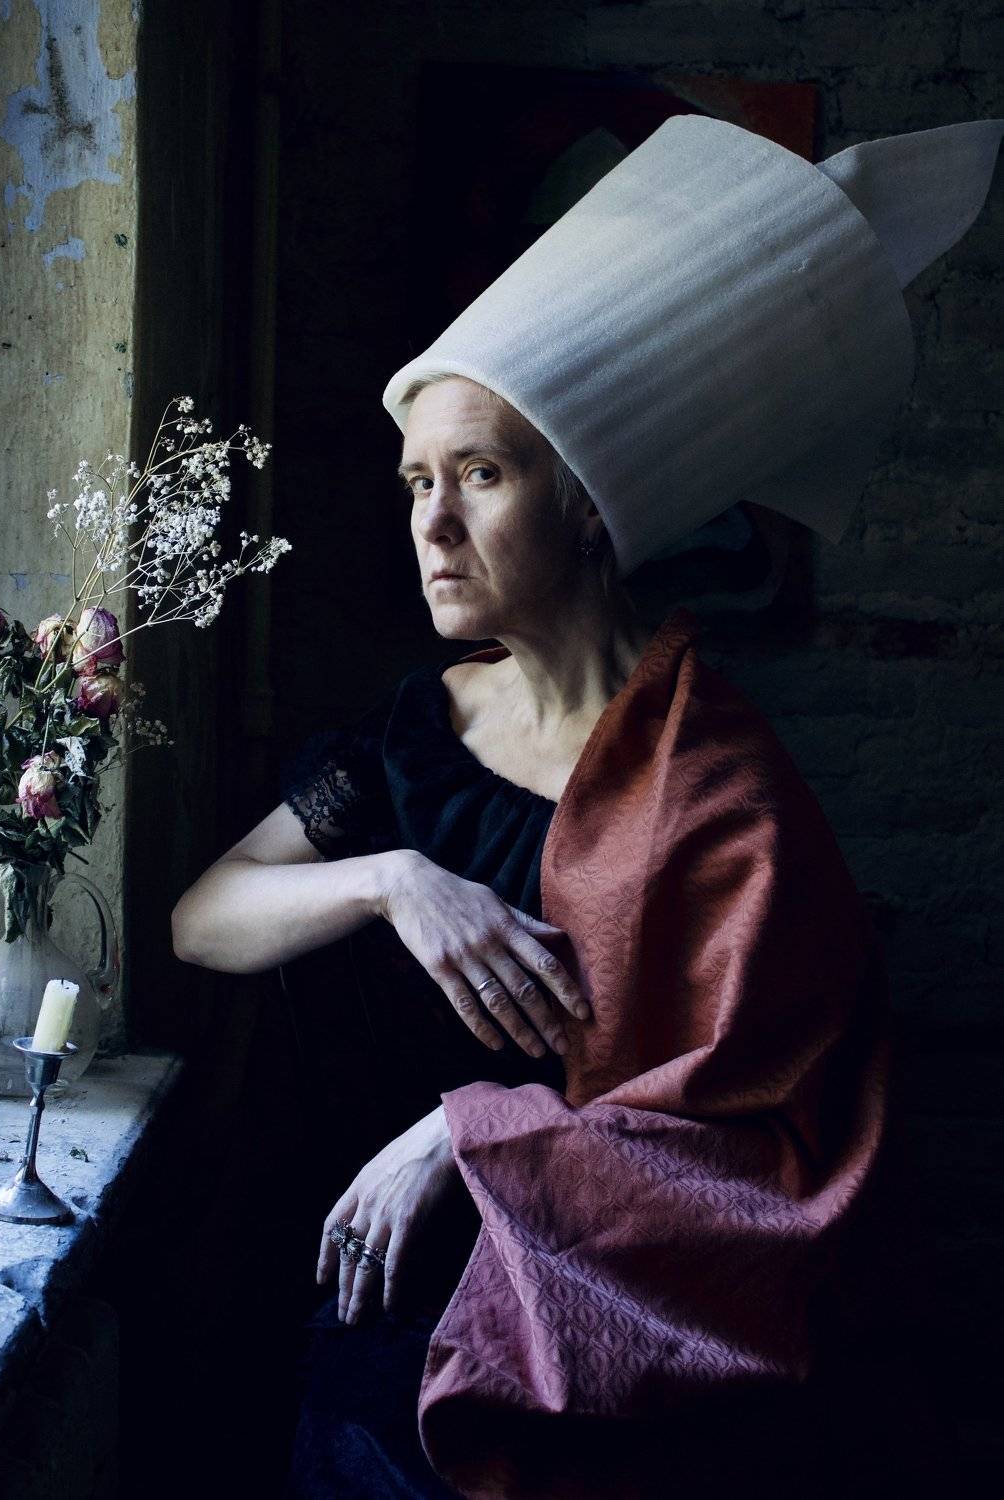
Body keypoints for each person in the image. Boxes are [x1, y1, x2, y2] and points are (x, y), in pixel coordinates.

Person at [171, 114, 1003, 1498]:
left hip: (608, 1341)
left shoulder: (724, 792)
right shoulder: (413, 738)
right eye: (417, 482)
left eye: (481, 475)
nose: (432, 523)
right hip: (375, 1293)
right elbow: (204, 918)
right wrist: (393, 882)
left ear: (592, 508)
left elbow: (771, 1151)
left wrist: (469, 1133)